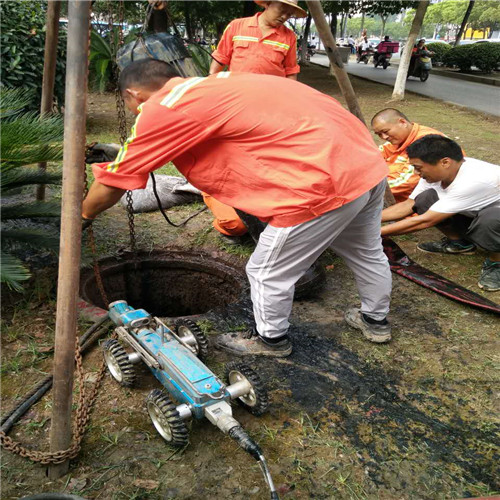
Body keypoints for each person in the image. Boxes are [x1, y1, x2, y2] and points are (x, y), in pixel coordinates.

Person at [83, 59, 393, 357]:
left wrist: (83, 216)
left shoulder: (165, 107)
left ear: (133, 94)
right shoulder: (222, 84)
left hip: (317, 184)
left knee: (265, 272)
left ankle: (271, 341)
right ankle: (375, 321)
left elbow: (115, 180)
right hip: (364, 165)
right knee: (367, 252)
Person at [206, 0, 306, 243]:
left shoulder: (288, 37)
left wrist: (289, 102)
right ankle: (227, 197)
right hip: (234, 104)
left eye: (290, 14)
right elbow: (219, 60)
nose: (285, 16)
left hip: (269, 109)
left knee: (264, 153)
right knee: (230, 151)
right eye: (283, 10)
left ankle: (260, 199)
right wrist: (211, 88)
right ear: (268, 4)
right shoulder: (237, 26)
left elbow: (290, 71)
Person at [381, 135, 500, 292]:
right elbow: (409, 205)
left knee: (491, 219)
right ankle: (459, 244)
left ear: (445, 162)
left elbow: (424, 221)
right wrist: (364, 221)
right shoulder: (437, 172)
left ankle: (496, 263)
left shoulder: (475, 181)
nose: (416, 173)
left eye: (418, 167)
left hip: (491, 217)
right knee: (424, 199)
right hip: (475, 213)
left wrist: (370, 233)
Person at [371, 108, 446, 203]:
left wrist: (365, 187)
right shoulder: (398, 140)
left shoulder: (428, 142)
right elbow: (372, 157)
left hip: (422, 204)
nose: (384, 137)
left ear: (402, 122)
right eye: (379, 134)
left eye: (386, 131)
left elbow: (406, 183)